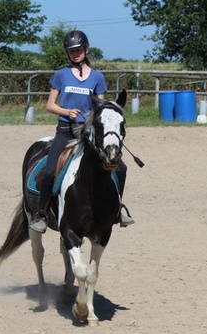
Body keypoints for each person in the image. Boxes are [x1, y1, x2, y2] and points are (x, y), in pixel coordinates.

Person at [29, 30, 135, 233]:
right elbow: (50, 105)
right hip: (66, 131)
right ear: (67, 53)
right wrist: (66, 112)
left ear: (86, 50)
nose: (75, 53)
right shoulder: (60, 75)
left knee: (120, 168)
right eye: (71, 51)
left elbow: (100, 106)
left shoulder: (97, 77)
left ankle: (117, 209)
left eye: (78, 50)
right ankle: (42, 214)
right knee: (50, 171)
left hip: (89, 134)